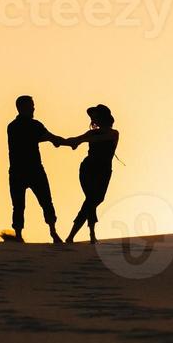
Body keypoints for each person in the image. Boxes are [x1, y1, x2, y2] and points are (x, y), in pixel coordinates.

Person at [6, 95, 64, 244]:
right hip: (31, 170)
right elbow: (49, 137)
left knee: (21, 205)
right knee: (41, 202)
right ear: (22, 107)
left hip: (20, 171)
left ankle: (24, 234)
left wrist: (56, 140)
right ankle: (52, 233)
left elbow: (47, 137)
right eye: (31, 106)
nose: (33, 108)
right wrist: (66, 142)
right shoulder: (27, 126)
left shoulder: (14, 126)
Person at [60, 104, 120, 245]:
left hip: (104, 171)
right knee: (91, 200)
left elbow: (98, 139)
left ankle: (75, 236)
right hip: (89, 169)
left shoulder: (113, 133)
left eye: (97, 116)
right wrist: (62, 141)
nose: (94, 119)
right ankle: (87, 235)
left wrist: (83, 140)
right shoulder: (92, 134)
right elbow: (75, 140)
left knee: (95, 200)